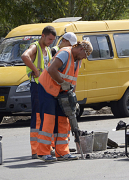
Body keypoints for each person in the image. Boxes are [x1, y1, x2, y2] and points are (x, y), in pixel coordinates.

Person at [37, 40, 93, 162]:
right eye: (85, 54)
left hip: (61, 92)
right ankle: (43, 152)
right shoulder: (65, 53)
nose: (85, 57)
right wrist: (62, 83)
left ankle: (62, 152)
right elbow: (52, 69)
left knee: (63, 121)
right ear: (80, 49)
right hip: (47, 89)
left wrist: (72, 96)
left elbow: (73, 80)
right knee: (48, 120)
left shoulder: (78, 60)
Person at [21, 26, 56, 159]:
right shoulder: (35, 47)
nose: (51, 42)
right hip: (36, 86)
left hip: (44, 86)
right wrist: (35, 71)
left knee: (44, 117)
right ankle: (35, 150)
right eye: (49, 39)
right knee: (37, 118)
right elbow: (25, 56)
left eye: (53, 40)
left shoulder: (47, 49)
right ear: (43, 35)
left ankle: (45, 147)